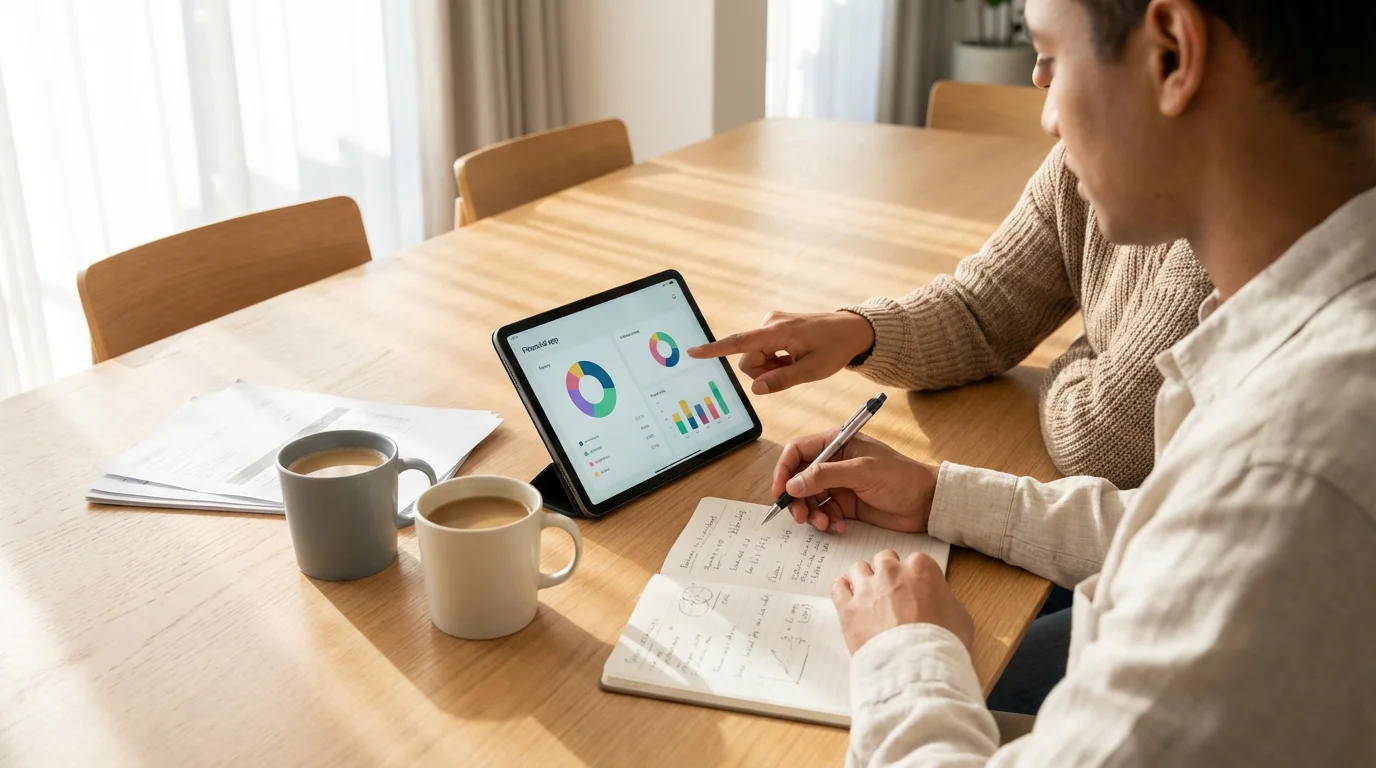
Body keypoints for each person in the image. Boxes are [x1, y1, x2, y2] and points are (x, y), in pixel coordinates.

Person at [709, 0, 1376, 764]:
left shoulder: (1287, 479)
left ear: (1171, 56)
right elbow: (1164, 525)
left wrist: (906, 651)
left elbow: (1212, 502)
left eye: (1054, 56)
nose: (1047, 114)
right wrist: (940, 494)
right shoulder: (1301, 347)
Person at [689, 150, 1212, 491]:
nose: (1038, 81)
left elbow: (1101, 442)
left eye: (1057, 54)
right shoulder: (1079, 162)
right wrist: (859, 332)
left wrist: (1089, 352)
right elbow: (983, 311)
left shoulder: (1223, 227)